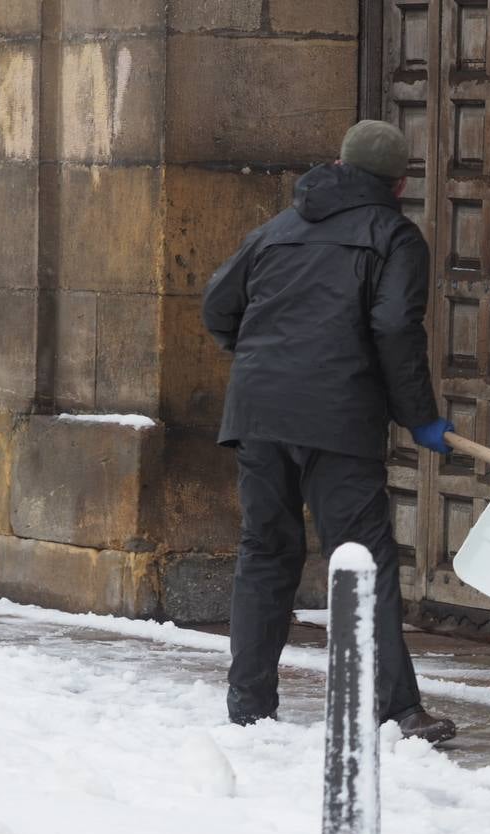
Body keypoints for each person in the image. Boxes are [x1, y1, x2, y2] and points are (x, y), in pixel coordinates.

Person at [202, 120, 458, 744]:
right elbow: (396, 327)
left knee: (265, 552)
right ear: (399, 183)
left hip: (258, 412)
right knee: (363, 562)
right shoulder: (394, 236)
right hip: (337, 417)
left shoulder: (276, 230)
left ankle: (249, 707)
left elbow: (216, 306)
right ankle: (395, 709)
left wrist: (266, 357)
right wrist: (418, 414)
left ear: (339, 165)